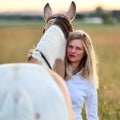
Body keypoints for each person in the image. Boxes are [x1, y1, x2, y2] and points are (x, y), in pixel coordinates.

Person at [64, 30, 99, 120]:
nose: (73, 51)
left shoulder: (88, 81)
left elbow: (92, 116)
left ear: (85, 52)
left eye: (78, 48)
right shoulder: (55, 71)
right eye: (70, 47)